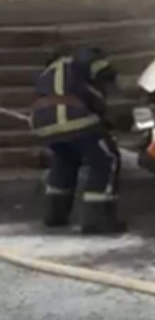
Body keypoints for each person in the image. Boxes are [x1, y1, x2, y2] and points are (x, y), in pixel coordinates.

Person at [30, 47, 125, 234]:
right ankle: (97, 218)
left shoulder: (48, 72)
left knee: (65, 159)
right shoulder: (80, 58)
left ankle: (56, 214)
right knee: (106, 158)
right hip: (71, 116)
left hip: (43, 121)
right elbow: (104, 73)